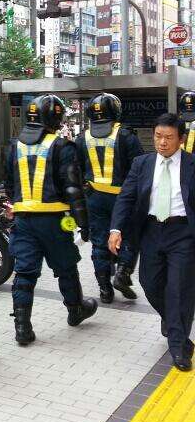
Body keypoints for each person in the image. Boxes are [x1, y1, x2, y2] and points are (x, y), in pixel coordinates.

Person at [5, 94, 96, 346]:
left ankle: (22, 327)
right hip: (56, 221)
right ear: (56, 118)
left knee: (24, 273)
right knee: (66, 267)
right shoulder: (62, 147)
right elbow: (73, 190)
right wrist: (83, 222)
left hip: (23, 221)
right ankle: (76, 309)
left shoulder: (14, 146)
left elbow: (8, 185)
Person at [110, 113, 195, 372]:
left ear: (181, 139)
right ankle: (172, 321)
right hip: (151, 231)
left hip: (183, 233)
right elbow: (126, 198)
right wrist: (115, 229)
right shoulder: (142, 163)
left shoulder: (192, 164)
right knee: (149, 283)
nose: (162, 142)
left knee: (178, 288)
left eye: (169, 137)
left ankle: (179, 348)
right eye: (158, 136)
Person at [75, 93, 143, 304]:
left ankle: (105, 289)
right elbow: (139, 168)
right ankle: (123, 273)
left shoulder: (81, 138)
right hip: (122, 199)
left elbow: (76, 170)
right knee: (130, 237)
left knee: (98, 243)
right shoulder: (126, 136)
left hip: (94, 197)